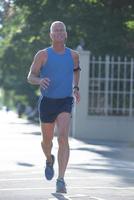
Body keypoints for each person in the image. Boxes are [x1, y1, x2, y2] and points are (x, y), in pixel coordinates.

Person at [27, 21, 81, 193]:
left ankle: (61, 179)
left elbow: (76, 70)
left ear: (66, 34)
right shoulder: (43, 55)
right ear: (51, 35)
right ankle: (49, 159)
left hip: (65, 100)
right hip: (47, 101)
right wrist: (39, 80)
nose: (58, 33)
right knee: (47, 142)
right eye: (55, 30)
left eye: (61, 30)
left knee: (63, 137)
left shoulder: (73, 55)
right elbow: (30, 76)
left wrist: (76, 88)